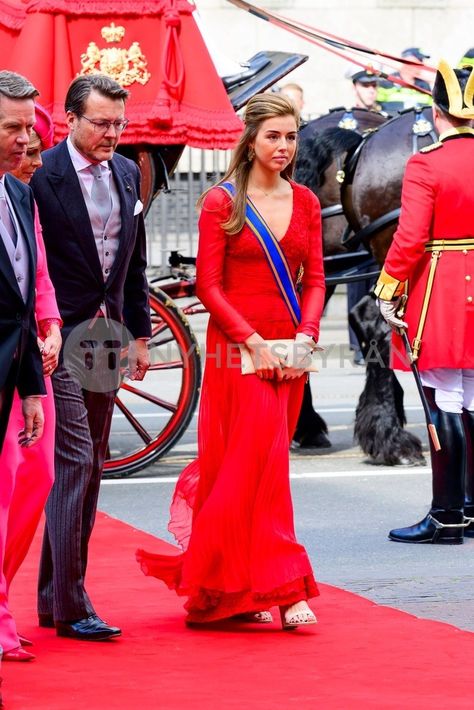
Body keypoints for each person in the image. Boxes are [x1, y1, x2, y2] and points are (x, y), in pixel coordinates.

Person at [137, 93, 325, 629]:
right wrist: (251, 341)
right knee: (253, 464)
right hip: (235, 349)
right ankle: (286, 590)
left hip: (290, 348)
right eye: (273, 136)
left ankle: (235, 587)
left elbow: (315, 279)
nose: (284, 146)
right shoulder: (222, 202)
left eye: (291, 136)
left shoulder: (307, 202)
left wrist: (308, 334)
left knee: (267, 466)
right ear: (250, 140)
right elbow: (210, 286)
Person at [31, 73, 151, 640]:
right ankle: (75, 603)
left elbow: (134, 264)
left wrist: (142, 335)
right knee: (74, 460)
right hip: (57, 335)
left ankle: (56, 598)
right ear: (71, 119)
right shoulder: (41, 176)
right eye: (101, 123)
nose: (112, 134)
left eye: (119, 124)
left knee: (91, 464)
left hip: (106, 337)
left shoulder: (128, 173)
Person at [375, 60, 474, 544]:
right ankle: (471, 508)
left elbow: (410, 238)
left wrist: (387, 288)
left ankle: (446, 514)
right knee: (471, 400)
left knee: (444, 402)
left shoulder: (427, 163)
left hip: (444, 291)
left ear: (437, 112)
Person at [0, 103, 61, 662]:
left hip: (29, 364)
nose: (29, 148)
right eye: (15, 131)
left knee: (36, 475)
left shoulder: (21, 194)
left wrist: (51, 324)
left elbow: (34, 273)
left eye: (32, 135)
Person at [0, 71, 45, 455]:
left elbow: (23, 303)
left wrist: (31, 389)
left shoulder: (20, 195)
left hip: (11, 376)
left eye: (29, 126)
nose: (25, 139)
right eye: (13, 127)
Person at [377, 47, 433, 113]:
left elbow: (431, 108)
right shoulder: (387, 82)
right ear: (407, 61)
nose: (422, 64)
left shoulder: (424, 85)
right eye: (419, 60)